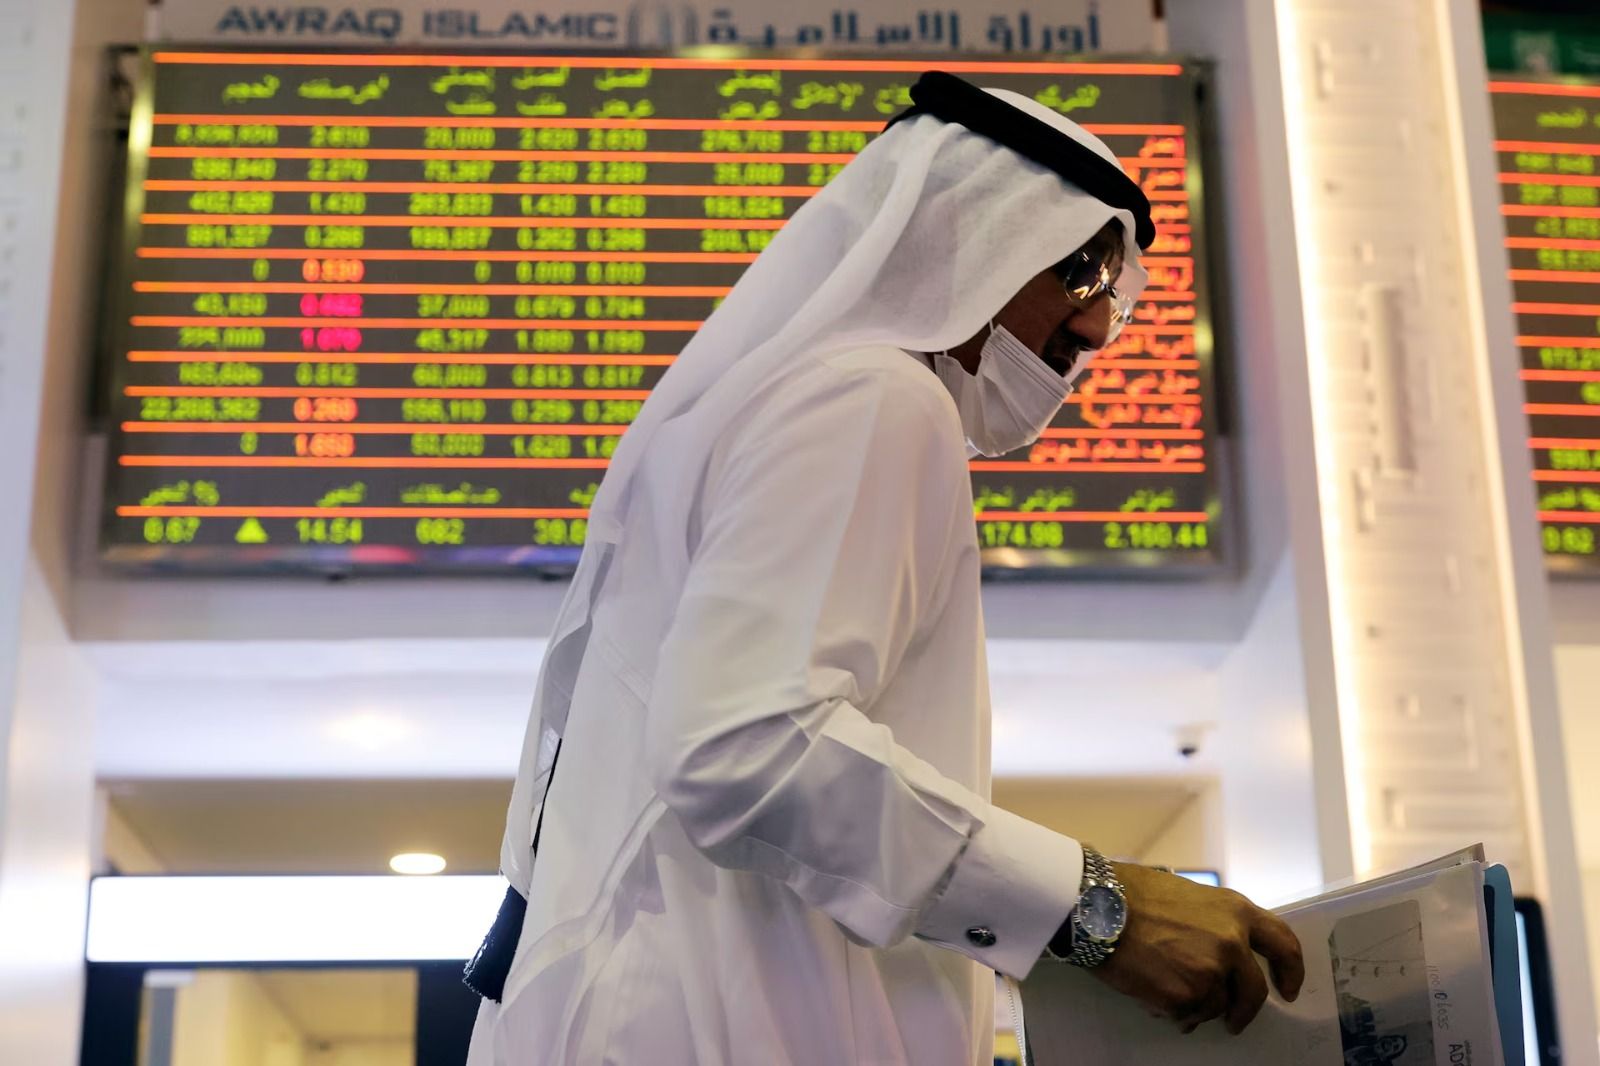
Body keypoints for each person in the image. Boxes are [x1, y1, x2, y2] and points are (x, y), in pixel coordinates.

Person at [465, 70, 1304, 1065]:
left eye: (1111, 302)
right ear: (966, 230)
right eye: (1077, 273)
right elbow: (744, 744)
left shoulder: (782, 401)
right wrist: (1094, 911)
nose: (1088, 333)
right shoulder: (872, 398)